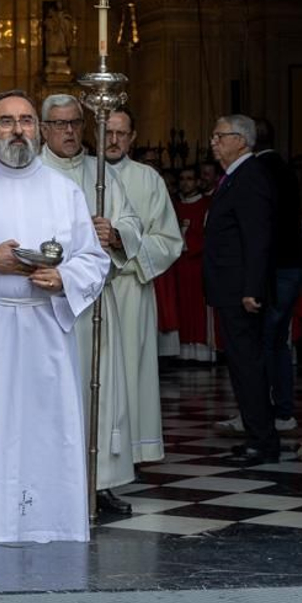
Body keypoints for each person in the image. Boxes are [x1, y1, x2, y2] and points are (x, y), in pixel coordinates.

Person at [0, 90, 110, 543]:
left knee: (48, 429)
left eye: (26, 120)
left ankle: (52, 524)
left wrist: (64, 277)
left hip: (46, 328)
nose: (18, 130)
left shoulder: (64, 191)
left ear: (38, 130)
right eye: (7, 121)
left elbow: (93, 259)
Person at [39, 93, 144, 515]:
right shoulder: (32, 174)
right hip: (48, 306)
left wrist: (114, 234)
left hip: (95, 305)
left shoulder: (101, 172)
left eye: (75, 124)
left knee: (100, 391)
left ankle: (100, 483)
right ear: (43, 129)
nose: (69, 131)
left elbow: (132, 223)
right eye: (59, 124)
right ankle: (51, 484)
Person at [101, 110, 182, 465]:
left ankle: (131, 450)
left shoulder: (148, 180)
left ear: (132, 137)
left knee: (131, 369)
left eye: (121, 133)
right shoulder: (82, 173)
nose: (113, 140)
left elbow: (168, 240)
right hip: (85, 290)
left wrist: (124, 248)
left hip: (130, 288)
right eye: (108, 132)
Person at [202, 115, 279, 467]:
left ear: (242, 140)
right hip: (230, 289)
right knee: (240, 364)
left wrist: (252, 288)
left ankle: (262, 441)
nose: (213, 142)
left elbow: (258, 237)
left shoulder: (250, 177)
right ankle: (255, 434)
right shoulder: (234, 176)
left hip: (241, 292)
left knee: (248, 365)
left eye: (220, 136)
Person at [253, 119, 302, 430]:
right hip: (292, 264)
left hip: (275, 268)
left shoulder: (260, 171)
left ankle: (265, 412)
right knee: (276, 341)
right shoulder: (283, 169)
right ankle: (281, 410)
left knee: (264, 340)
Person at [169, 166, 214, 362]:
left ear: (197, 182)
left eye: (189, 179)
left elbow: (210, 236)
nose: (185, 183)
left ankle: (201, 351)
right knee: (181, 307)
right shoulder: (174, 206)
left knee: (198, 308)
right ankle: (183, 351)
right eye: (182, 179)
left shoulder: (207, 205)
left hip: (198, 264)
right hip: (179, 266)